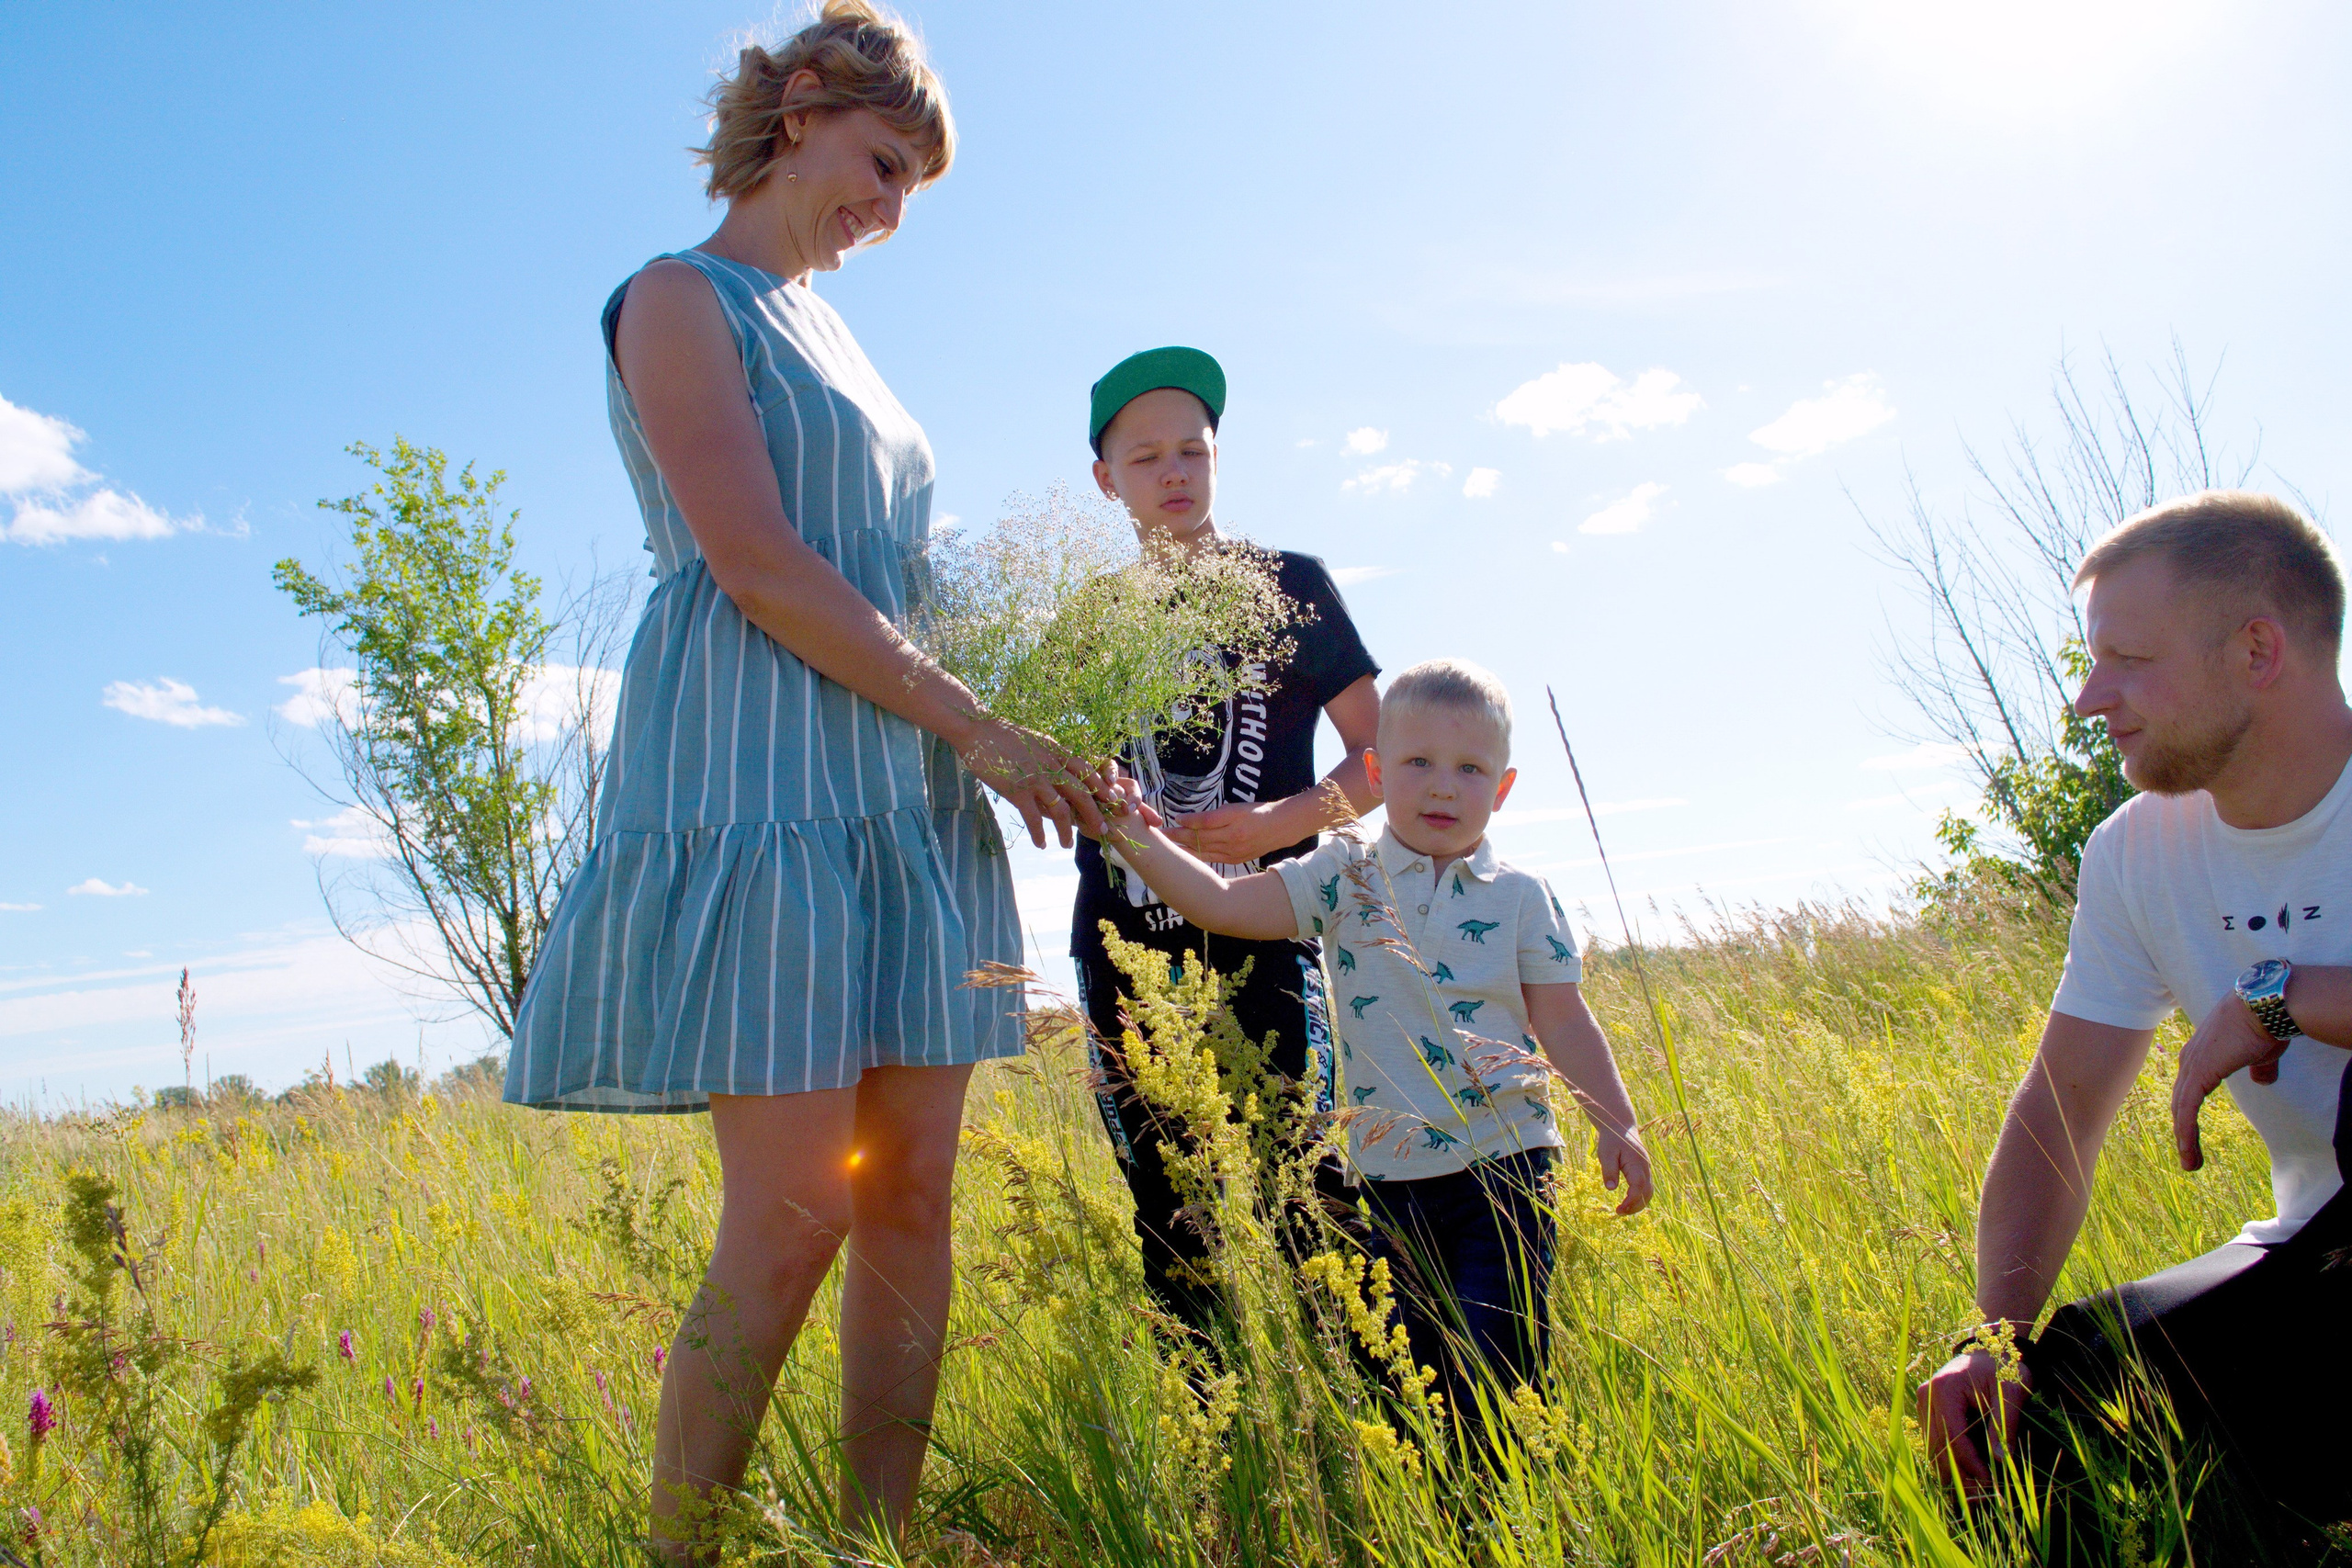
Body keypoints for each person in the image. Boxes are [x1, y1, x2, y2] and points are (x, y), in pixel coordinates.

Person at [501, 6, 1112, 1557]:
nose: (891, 209)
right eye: (884, 163)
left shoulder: (839, 330)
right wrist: (977, 725)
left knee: (910, 1196)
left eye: (913, 188)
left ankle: (875, 1543)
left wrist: (1046, 716)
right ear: (803, 109)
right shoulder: (676, 296)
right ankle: (679, 1551)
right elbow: (760, 564)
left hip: (904, 792)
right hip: (762, 777)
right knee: (794, 1211)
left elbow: (906, 576)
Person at [1917, 491, 2352, 1559]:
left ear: (2256, 650)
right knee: (2053, 1398)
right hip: (2323, 1264)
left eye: (2126, 660)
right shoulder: (2135, 851)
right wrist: (1994, 1337)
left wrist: (2280, 999)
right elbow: (2061, 1106)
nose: (2085, 698)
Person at [1085, 658, 1652, 1412]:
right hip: (1390, 1181)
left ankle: (1506, 1483)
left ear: (1502, 787)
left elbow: (1564, 1018)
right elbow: (1221, 903)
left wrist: (1616, 1121)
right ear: (1377, 772)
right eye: (1419, 763)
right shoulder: (1343, 872)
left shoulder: (1521, 896)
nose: (1443, 786)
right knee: (1412, 1391)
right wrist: (1131, 833)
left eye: (1470, 768)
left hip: (1508, 1169)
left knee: (1500, 1375)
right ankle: (1440, 1483)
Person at [1069, 345, 1384, 1339]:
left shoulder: (1292, 584)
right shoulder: (1090, 618)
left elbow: (1384, 757)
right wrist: (1097, 796)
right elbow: (1054, 776)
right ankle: (1213, 1419)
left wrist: (1279, 824)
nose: (1173, 474)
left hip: (1272, 936)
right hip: (1125, 947)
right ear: (1106, 479)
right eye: (1146, 457)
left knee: (1311, 1192)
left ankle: (1364, 1409)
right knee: (1171, 1218)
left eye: (1192, 452)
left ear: (1216, 458)